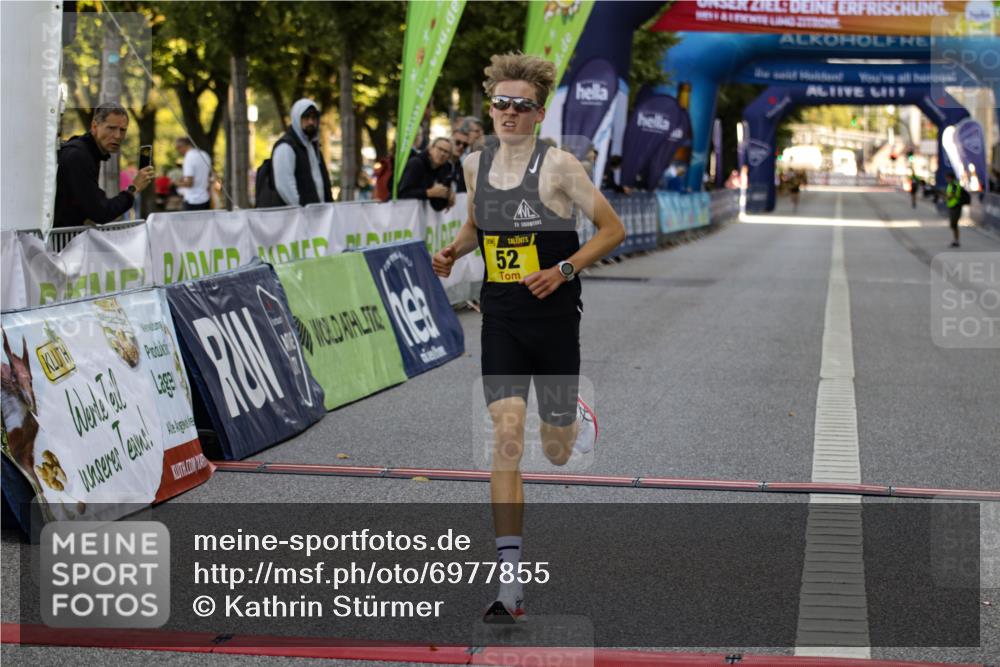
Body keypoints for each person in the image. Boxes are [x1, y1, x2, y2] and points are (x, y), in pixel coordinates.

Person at [431, 53, 625, 624]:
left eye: (521, 106)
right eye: (500, 104)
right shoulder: (472, 165)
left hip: (556, 316)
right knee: (506, 439)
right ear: (489, 108)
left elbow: (611, 230)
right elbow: (477, 224)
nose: (509, 114)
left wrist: (564, 269)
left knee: (559, 449)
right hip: (503, 317)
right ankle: (509, 580)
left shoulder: (560, 166)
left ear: (538, 114)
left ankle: (576, 417)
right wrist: (454, 251)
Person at [53, 102, 153, 228]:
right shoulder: (79, 155)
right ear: (94, 127)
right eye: (111, 128)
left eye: (122, 130)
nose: (117, 136)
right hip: (58, 242)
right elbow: (102, 212)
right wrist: (133, 188)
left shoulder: (86, 151)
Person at [271, 98, 333, 206]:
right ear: (297, 118)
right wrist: (302, 210)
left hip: (317, 217)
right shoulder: (286, 147)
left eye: (314, 118)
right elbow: (285, 186)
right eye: (306, 117)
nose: (311, 122)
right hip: (299, 218)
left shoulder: (313, 148)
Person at [397, 136, 456, 211]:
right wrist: (428, 193)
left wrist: (447, 198)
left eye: (446, 152)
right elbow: (402, 193)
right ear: (430, 149)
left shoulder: (446, 168)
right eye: (440, 149)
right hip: (403, 213)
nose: (442, 154)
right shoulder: (416, 164)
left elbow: (437, 206)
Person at [174, 137, 213, 211]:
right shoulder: (204, 154)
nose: (178, 151)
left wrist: (176, 183)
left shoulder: (189, 157)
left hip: (192, 200)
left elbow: (189, 183)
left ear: (184, 146)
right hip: (205, 198)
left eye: (178, 148)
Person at [945, 171, 965, 247]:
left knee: (954, 224)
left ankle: (956, 241)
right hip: (951, 207)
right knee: (953, 225)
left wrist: (946, 196)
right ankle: (955, 240)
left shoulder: (954, 185)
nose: (946, 179)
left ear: (951, 178)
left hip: (956, 207)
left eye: (947, 178)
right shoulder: (950, 185)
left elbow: (951, 195)